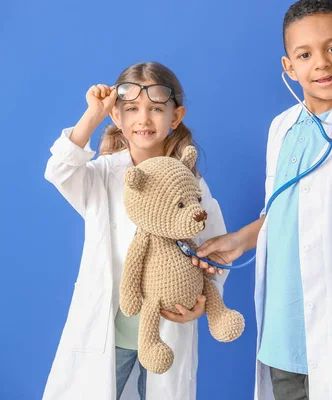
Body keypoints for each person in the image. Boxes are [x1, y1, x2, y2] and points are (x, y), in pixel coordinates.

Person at [195, 1, 332, 398]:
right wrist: (239, 240)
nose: (322, 64)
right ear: (289, 67)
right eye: (305, 54)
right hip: (282, 335)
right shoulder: (281, 129)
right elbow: (282, 210)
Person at [43, 61, 228, 400]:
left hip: (168, 328)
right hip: (108, 334)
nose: (143, 119)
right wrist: (93, 114)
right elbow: (59, 171)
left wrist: (203, 301)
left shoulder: (192, 184)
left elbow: (216, 252)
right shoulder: (102, 176)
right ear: (117, 117)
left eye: (156, 109)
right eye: (131, 109)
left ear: (175, 117)